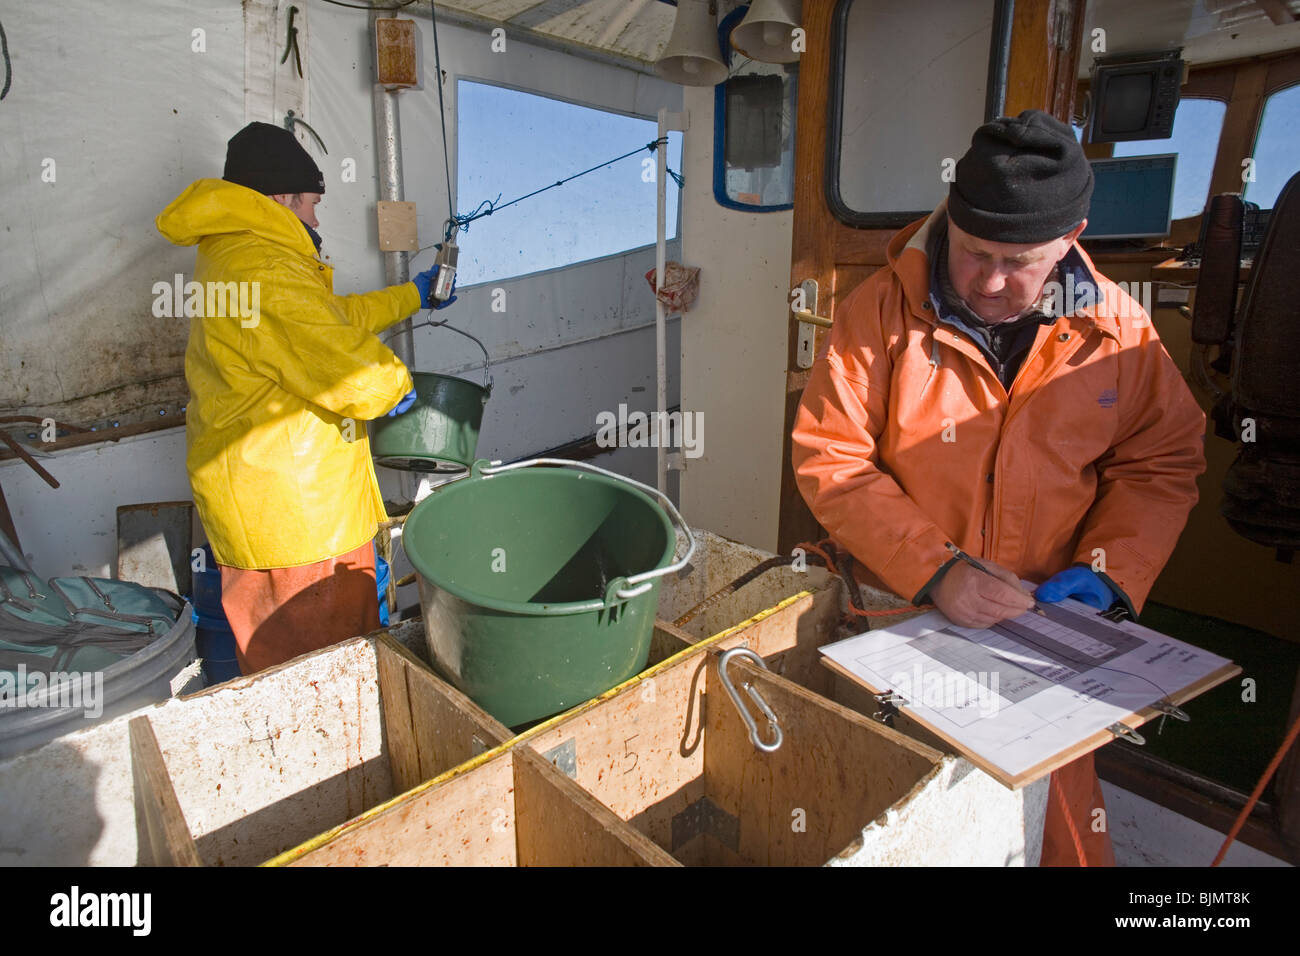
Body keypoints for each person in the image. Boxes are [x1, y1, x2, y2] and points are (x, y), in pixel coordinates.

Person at [791, 109, 1206, 866]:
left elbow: (1163, 463)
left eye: (1020, 262)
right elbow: (833, 457)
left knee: (1061, 842)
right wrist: (935, 569)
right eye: (974, 252)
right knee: (895, 828)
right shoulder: (874, 315)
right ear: (950, 217)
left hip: (1047, 639)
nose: (989, 281)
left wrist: (1112, 574)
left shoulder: (1124, 332)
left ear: (1073, 235)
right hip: (897, 624)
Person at [156, 122, 450, 674]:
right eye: (312, 204)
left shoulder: (236, 254)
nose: (315, 219)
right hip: (299, 526)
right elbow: (346, 367)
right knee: (328, 678)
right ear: (282, 198)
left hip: (262, 511)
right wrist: (398, 387)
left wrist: (412, 295)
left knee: (280, 674)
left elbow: (329, 321)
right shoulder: (265, 269)